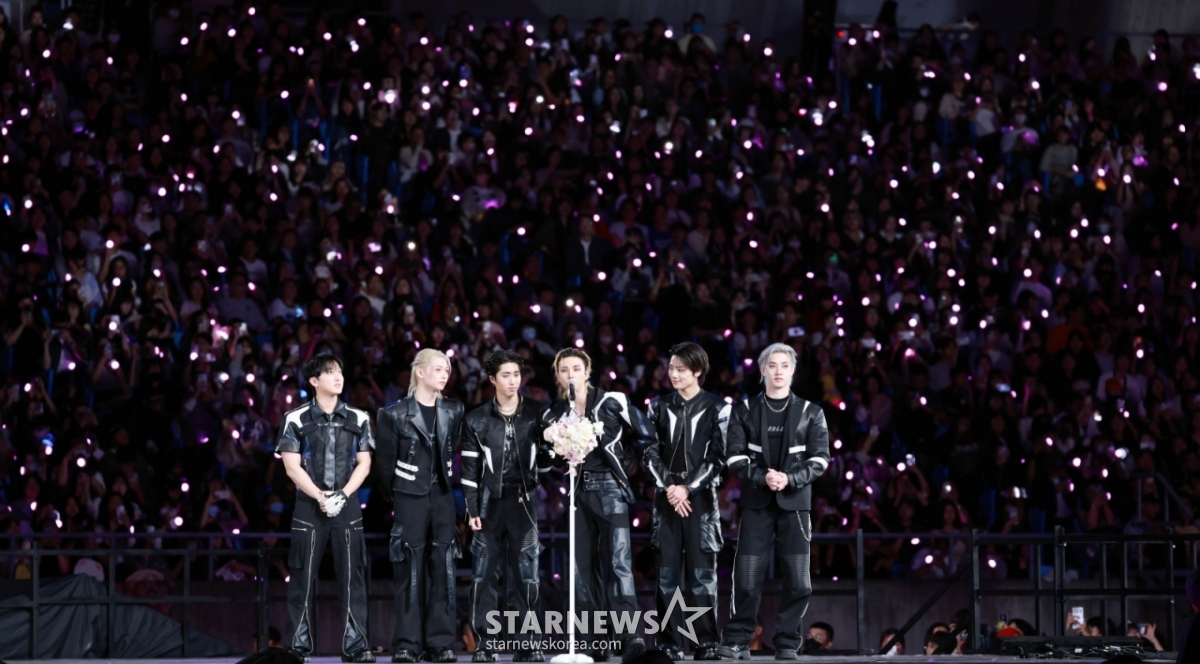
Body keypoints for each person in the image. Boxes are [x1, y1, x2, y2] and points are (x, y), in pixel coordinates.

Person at [718, 343, 831, 660]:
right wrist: (760, 476)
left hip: (795, 503)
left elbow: (821, 459)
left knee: (798, 577)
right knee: (747, 575)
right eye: (773, 365)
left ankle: (787, 641)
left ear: (793, 371)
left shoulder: (812, 412)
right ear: (763, 369)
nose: (779, 370)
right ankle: (738, 638)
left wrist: (790, 479)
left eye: (785, 365)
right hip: (756, 501)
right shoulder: (744, 410)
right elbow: (735, 457)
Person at [542, 348, 654, 662]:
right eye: (563, 370)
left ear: (587, 371)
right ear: (558, 375)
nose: (570, 374)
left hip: (611, 490)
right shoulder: (555, 413)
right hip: (578, 493)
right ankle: (594, 639)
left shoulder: (611, 400)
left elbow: (645, 434)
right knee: (580, 569)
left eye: (575, 368)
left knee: (618, 564)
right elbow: (547, 453)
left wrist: (623, 462)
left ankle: (629, 635)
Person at [277, 352, 376, 664]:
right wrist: (321, 496)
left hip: (347, 506)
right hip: (309, 505)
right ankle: (297, 647)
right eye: (330, 372)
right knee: (302, 575)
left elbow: (365, 463)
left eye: (340, 372)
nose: (338, 377)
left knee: (353, 576)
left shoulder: (359, 418)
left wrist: (344, 495)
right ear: (314, 381)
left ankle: (356, 646)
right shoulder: (295, 418)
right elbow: (292, 467)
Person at [376, 349, 465, 664]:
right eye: (438, 369)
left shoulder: (454, 410)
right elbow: (384, 467)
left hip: (442, 497)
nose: (444, 374)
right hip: (408, 497)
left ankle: (440, 643)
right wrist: (398, 495)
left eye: (447, 369)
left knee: (443, 567)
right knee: (408, 570)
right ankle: (406, 644)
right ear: (420, 372)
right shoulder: (393, 414)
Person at [461, 350, 551, 662]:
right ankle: (486, 643)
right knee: (483, 575)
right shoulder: (476, 419)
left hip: (525, 503)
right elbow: (469, 472)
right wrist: (472, 510)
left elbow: (546, 464)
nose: (513, 381)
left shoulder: (539, 413)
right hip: (488, 506)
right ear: (492, 380)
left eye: (516, 374)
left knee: (528, 575)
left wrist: (552, 451)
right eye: (505, 375)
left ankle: (528, 643)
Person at [643, 343, 729, 660]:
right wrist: (670, 486)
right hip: (667, 498)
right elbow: (649, 452)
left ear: (697, 371)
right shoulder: (657, 406)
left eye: (681, 368)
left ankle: (704, 640)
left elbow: (718, 458)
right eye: (671, 368)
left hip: (701, 499)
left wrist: (687, 488)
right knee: (667, 574)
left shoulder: (718, 408)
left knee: (702, 574)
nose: (674, 374)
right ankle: (668, 641)